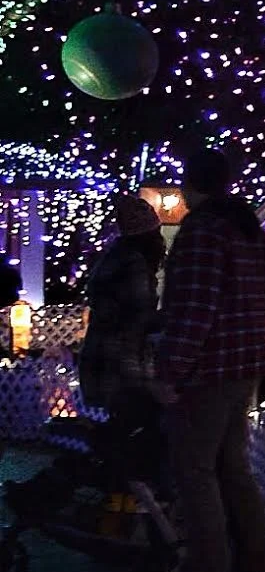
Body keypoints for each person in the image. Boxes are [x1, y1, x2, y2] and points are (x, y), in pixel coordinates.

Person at [149, 150, 265, 572]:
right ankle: (259, 568)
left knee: (195, 471)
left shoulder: (202, 231)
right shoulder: (247, 229)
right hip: (247, 365)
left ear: (192, 184)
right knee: (233, 468)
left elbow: (194, 308)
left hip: (209, 369)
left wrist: (169, 370)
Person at [77, 193, 168, 483]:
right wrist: (172, 318)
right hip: (123, 364)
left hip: (103, 360)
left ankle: (117, 489)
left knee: (124, 427)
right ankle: (122, 489)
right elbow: (139, 318)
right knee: (137, 432)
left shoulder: (113, 260)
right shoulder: (135, 265)